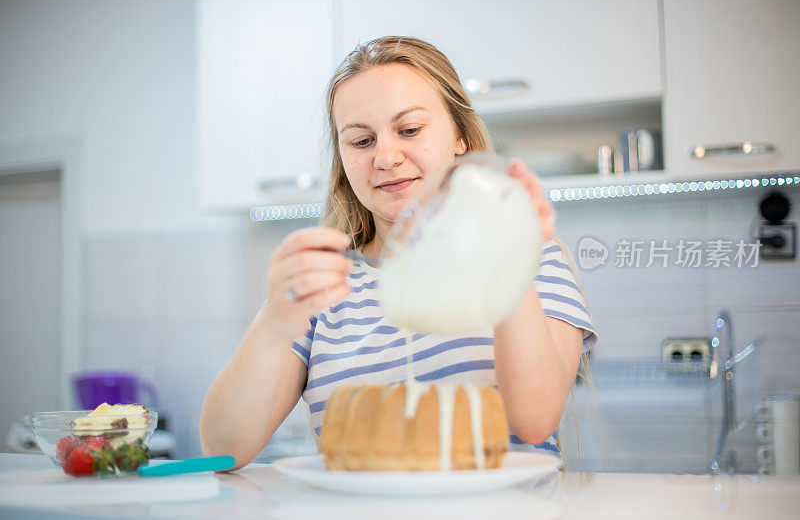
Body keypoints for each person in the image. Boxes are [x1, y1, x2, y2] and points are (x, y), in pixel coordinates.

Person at [200, 36, 598, 469]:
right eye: (361, 141)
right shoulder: (326, 285)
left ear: (460, 136)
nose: (386, 157)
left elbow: (536, 422)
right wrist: (275, 324)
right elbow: (221, 451)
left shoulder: (530, 259)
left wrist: (507, 258)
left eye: (409, 130)